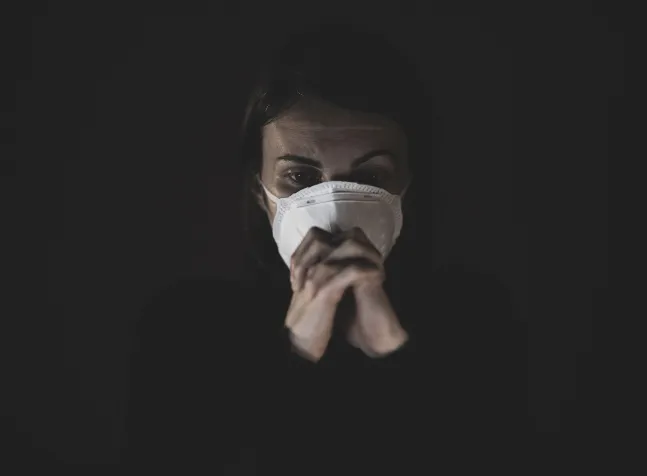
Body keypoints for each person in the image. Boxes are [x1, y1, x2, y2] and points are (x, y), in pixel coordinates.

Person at [121, 22, 531, 473]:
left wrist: (392, 352)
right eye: (299, 176)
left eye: (370, 177)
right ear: (259, 190)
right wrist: (296, 352)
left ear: (408, 188)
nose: (333, 205)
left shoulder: (475, 325)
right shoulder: (184, 336)